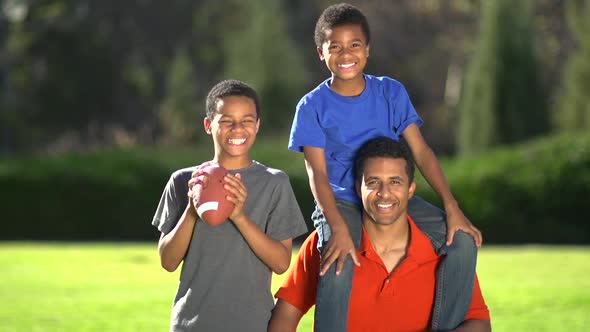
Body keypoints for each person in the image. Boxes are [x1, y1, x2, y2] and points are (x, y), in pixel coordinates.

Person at [288, 3, 484, 331]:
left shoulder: (390, 92)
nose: (345, 53)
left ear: (367, 50)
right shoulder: (311, 107)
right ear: (321, 53)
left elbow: (421, 151)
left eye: (354, 45)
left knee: (462, 241)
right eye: (334, 46)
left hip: (387, 196)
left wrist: (452, 207)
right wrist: (336, 227)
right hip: (341, 203)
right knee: (339, 264)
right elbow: (317, 174)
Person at [269, 137, 491, 332]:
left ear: (410, 189)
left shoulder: (445, 248)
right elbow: (285, 318)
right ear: (358, 188)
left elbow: (479, 322)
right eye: (373, 182)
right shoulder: (328, 243)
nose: (384, 193)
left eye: (395, 182)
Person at [152, 79, 309, 332]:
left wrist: (240, 216)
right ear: (208, 125)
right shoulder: (184, 181)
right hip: (190, 325)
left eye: (247, 120)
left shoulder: (274, 182)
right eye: (227, 121)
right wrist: (192, 210)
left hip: (251, 325)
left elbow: (281, 264)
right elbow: (168, 261)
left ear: (257, 125)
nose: (238, 129)